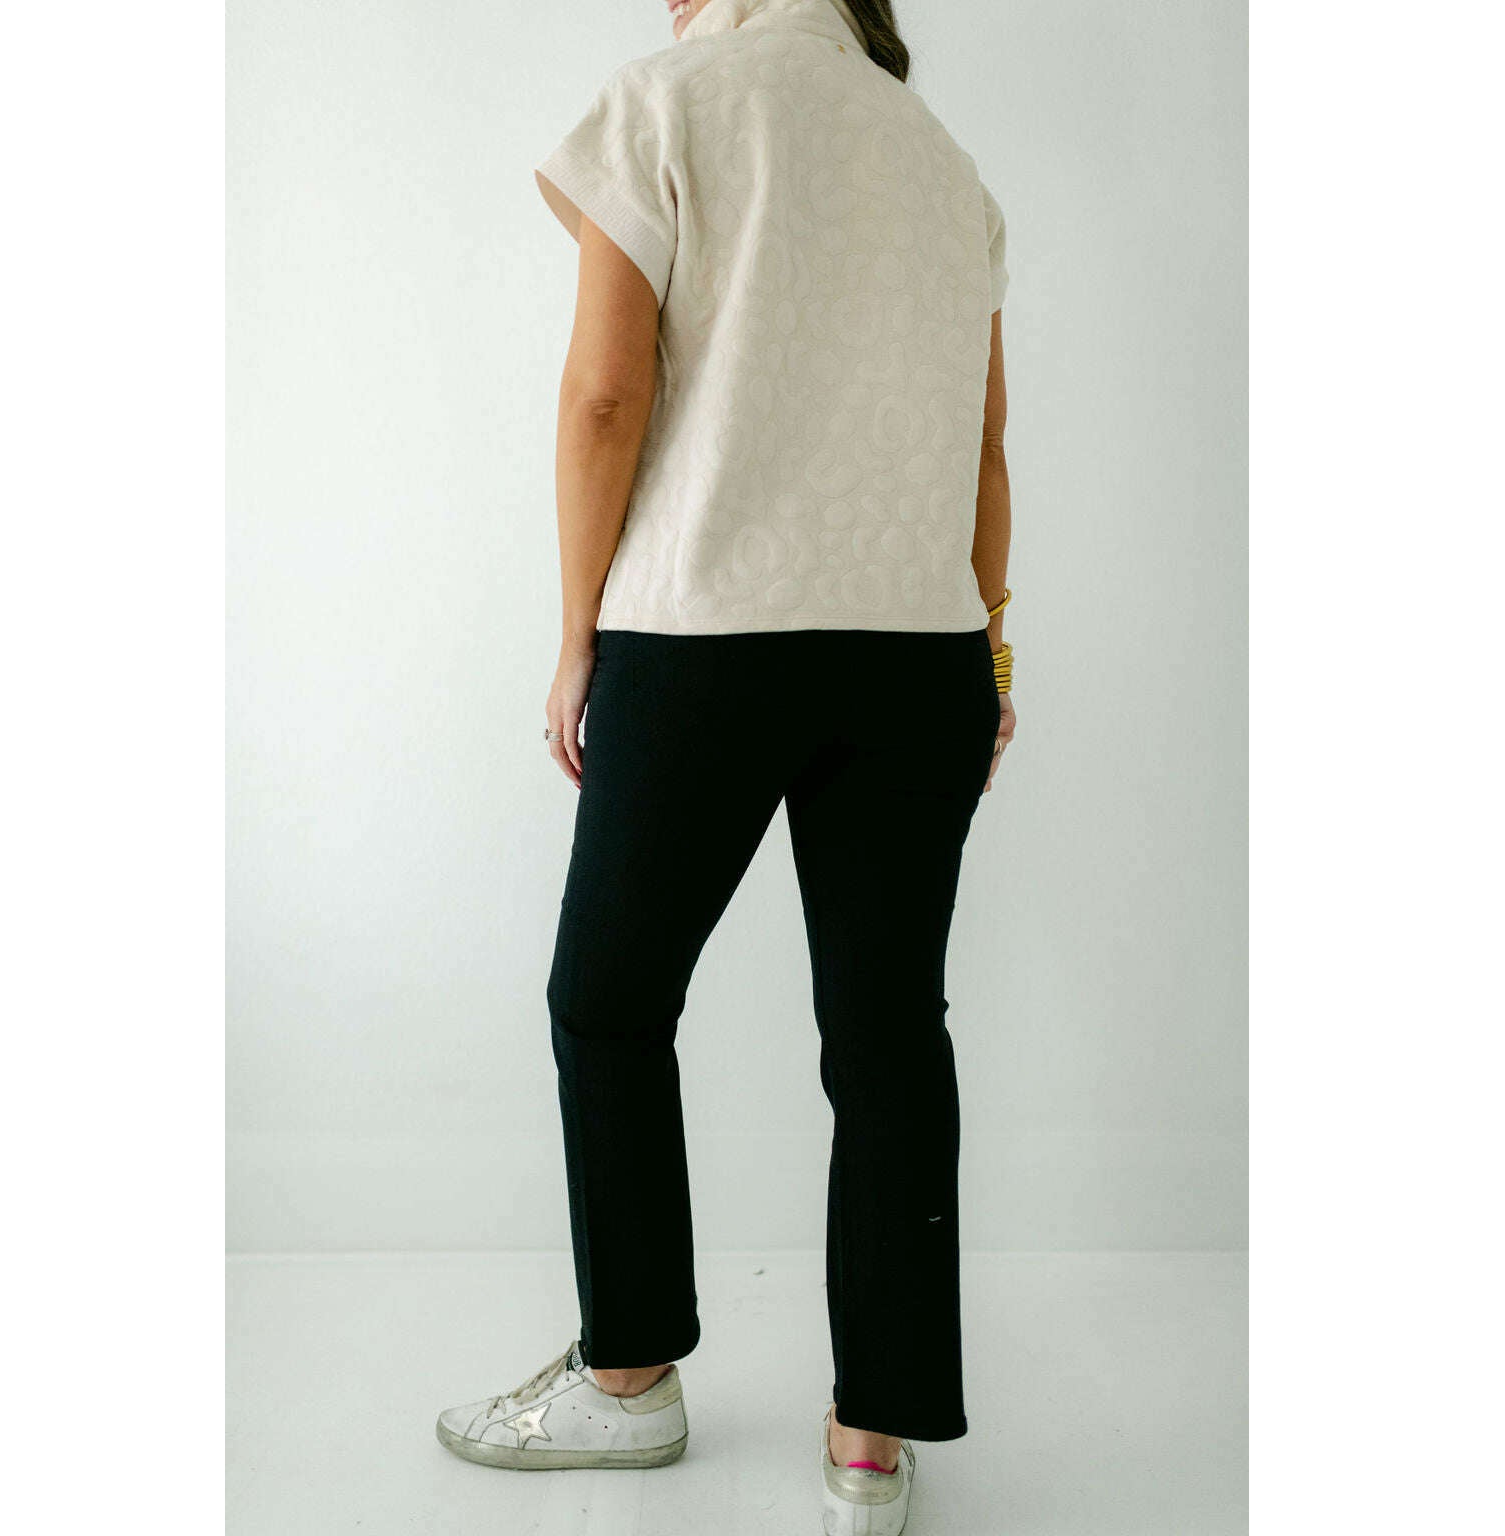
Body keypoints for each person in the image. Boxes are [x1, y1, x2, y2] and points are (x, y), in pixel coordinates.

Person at [436, 1, 1016, 1528]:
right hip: (920, 653)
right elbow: (983, 447)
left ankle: (628, 1381)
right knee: (889, 1037)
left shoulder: (670, 100)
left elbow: (605, 394)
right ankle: (874, 1443)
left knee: (610, 1001)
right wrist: (992, 651)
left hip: (704, 637)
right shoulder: (942, 159)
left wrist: (578, 636)